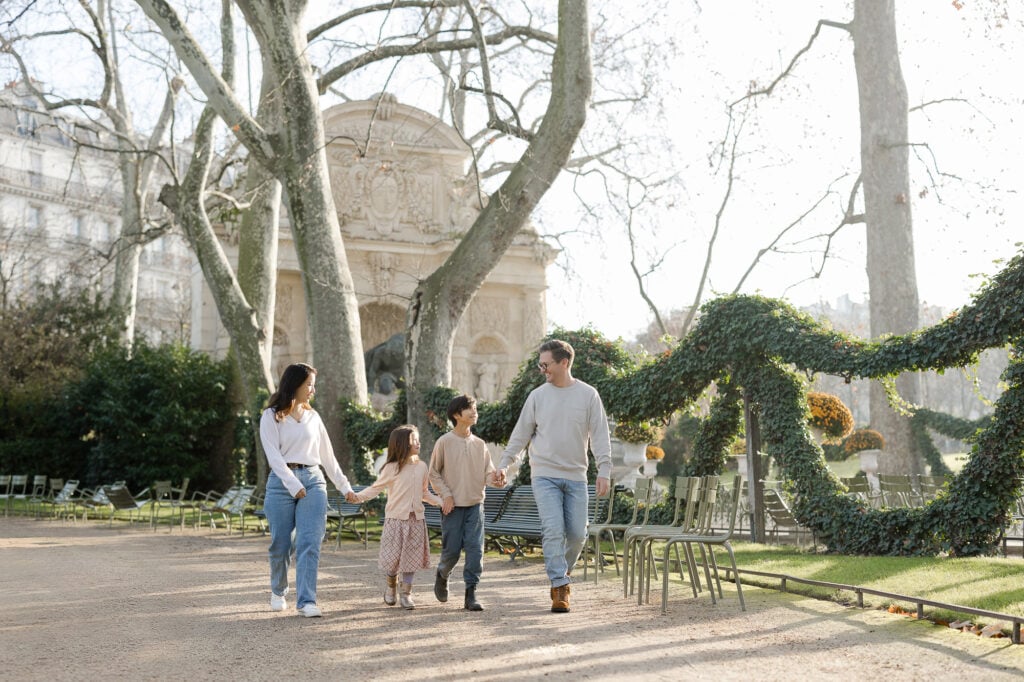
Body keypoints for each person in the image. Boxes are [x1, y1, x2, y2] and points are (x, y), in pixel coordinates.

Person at [495, 339, 612, 613]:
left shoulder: (588, 395)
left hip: (576, 476)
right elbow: (520, 435)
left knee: (576, 535)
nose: (542, 369)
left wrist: (604, 469)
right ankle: (559, 585)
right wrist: (504, 464)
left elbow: (600, 436)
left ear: (564, 363)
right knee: (553, 529)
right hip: (544, 474)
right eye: (540, 365)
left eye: (546, 364)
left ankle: (562, 574)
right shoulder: (537, 396)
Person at [260, 362, 354, 618]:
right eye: (309, 384)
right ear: (295, 385)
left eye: (313, 385)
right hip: (281, 483)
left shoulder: (314, 417)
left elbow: (328, 457)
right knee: (280, 544)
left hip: (313, 480)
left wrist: (345, 487)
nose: (313, 390)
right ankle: (278, 591)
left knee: (309, 542)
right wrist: (293, 484)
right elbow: (273, 457)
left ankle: (306, 601)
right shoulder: (271, 416)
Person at [349, 424, 442, 609]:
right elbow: (376, 488)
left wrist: (440, 501)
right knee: (392, 560)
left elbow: (424, 492)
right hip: (395, 520)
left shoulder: (422, 467)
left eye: (418, 439)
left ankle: (406, 594)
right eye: (414, 440)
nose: (418, 443)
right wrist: (358, 497)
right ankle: (391, 587)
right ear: (402, 444)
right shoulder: (391, 468)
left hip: (416, 519)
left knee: (411, 559)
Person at [428, 394, 498, 611]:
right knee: (452, 552)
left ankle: (471, 594)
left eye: (475, 407)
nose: (474, 411)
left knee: (475, 551)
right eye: (470, 408)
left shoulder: (480, 444)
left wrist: (496, 478)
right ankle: (443, 573)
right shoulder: (444, 442)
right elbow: (433, 473)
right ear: (457, 415)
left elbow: (489, 473)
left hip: (475, 505)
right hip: (452, 508)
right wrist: (446, 495)